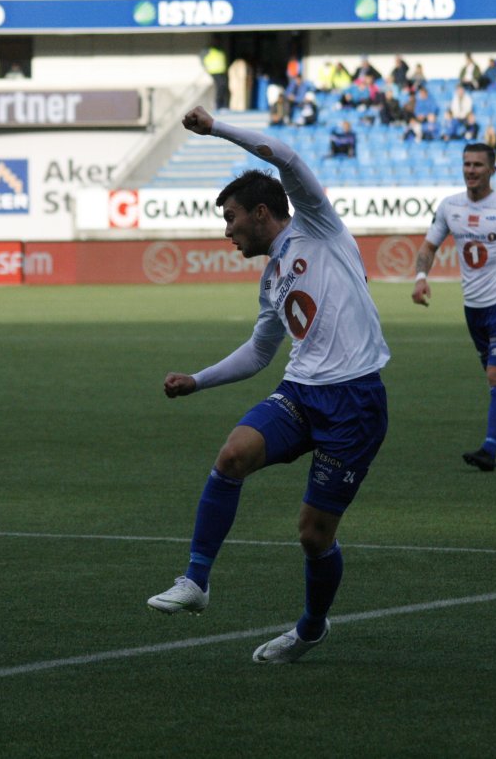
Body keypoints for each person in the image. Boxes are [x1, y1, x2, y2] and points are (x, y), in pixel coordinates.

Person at [147, 106, 391, 665]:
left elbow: (286, 157)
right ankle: (195, 580)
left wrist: (216, 129)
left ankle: (310, 629)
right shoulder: (272, 276)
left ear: (262, 213)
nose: (226, 231)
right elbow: (261, 351)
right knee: (232, 455)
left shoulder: (317, 226)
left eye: (231, 217)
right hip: (301, 392)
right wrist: (197, 381)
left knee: (313, 535)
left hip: (354, 401)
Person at [411, 143, 496, 471]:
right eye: (467, 164)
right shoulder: (449, 206)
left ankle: (489, 450)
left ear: (492, 170)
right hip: (474, 308)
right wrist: (421, 278)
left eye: (478, 165)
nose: (471, 170)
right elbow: (428, 246)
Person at [201, 42, 230, 111]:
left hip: (221, 72)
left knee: (223, 88)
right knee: (220, 88)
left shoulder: (220, 51)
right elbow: (202, 59)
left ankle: (223, 105)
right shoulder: (208, 50)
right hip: (214, 72)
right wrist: (206, 68)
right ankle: (219, 105)